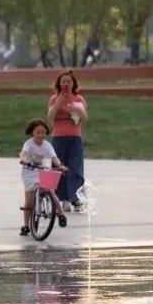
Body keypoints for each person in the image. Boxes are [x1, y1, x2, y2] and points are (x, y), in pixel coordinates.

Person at [18, 119, 68, 235]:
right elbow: (23, 153)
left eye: (43, 133)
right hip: (30, 172)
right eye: (38, 133)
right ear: (32, 133)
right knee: (28, 203)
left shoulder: (47, 145)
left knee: (51, 192)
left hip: (45, 171)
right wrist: (23, 160)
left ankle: (60, 214)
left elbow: (54, 157)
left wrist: (60, 165)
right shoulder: (29, 144)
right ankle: (26, 225)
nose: (41, 135)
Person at [46, 70, 87, 211]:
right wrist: (58, 103)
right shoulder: (54, 99)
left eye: (68, 81)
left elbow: (84, 118)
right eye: (63, 81)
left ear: (73, 83)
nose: (65, 84)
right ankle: (62, 199)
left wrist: (75, 109)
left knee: (75, 168)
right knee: (59, 168)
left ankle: (75, 198)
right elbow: (50, 116)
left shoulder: (78, 99)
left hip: (75, 137)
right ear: (59, 84)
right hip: (58, 138)